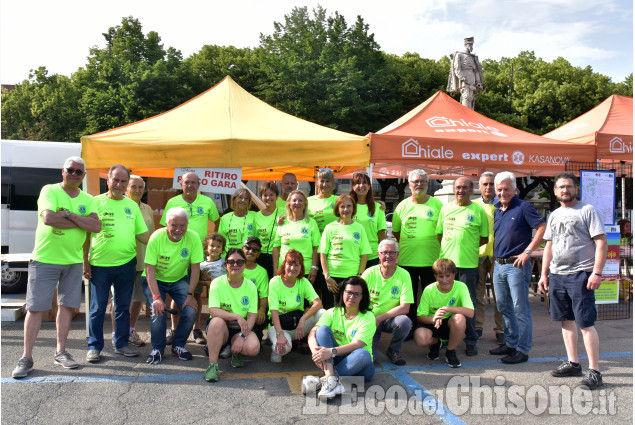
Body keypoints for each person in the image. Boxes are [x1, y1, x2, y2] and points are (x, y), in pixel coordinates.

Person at [12, 157, 101, 379]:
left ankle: (61, 352)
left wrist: (69, 215)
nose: (74, 174)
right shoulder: (49, 190)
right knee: (35, 308)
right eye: (70, 170)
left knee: (67, 306)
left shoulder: (88, 198)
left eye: (79, 172)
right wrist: (81, 221)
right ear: (63, 171)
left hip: (72, 261)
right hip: (45, 258)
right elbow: (49, 218)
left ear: (83, 176)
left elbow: (96, 226)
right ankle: (26, 357)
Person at [538, 172, 607, 390]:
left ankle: (594, 371)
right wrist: (543, 274)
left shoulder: (587, 211)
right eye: (561, 187)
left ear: (575, 189)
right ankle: (573, 363)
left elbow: (601, 242)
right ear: (556, 191)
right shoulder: (554, 215)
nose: (565, 190)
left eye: (569, 186)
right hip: (558, 275)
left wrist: (596, 272)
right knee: (566, 321)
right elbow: (548, 246)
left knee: (585, 323)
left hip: (581, 275)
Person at [84, 165, 149, 363]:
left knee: (122, 307)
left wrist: (164, 243)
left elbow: (142, 235)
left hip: (127, 264)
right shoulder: (94, 202)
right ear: (108, 180)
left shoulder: (131, 206)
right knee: (97, 308)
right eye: (116, 180)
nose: (119, 185)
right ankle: (94, 347)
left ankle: (121, 344)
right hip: (100, 264)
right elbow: (86, 235)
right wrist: (84, 262)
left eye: (123, 181)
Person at [489, 172, 545, 364]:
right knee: (503, 306)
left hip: (516, 266)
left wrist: (527, 252)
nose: (502, 192)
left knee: (520, 308)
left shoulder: (524, 207)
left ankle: (522, 350)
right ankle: (510, 343)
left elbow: (542, 228)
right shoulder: (497, 210)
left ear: (515, 190)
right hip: (499, 265)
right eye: (499, 189)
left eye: (506, 189)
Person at [160, 171, 220, 343]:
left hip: (198, 256)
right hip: (176, 255)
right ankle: (173, 329)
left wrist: (209, 242)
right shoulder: (172, 202)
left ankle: (197, 330)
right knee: (176, 292)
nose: (190, 185)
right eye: (187, 182)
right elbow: (165, 227)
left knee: (196, 294)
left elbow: (216, 221)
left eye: (194, 182)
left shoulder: (207, 202)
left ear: (199, 184)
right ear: (181, 184)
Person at [142, 207, 203, 365]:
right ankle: (157, 348)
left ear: (188, 225)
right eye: (174, 225)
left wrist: (190, 296)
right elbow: (149, 269)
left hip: (178, 279)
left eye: (183, 225)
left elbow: (196, 268)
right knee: (158, 311)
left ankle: (178, 345)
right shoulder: (156, 237)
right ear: (166, 224)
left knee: (190, 310)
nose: (178, 229)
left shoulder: (193, 237)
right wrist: (156, 297)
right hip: (156, 279)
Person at [436, 176, 488, 356]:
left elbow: (484, 238)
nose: (461, 191)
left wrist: (467, 247)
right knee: (444, 302)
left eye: (465, 187)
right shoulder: (446, 209)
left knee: (469, 304)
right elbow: (439, 235)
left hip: (468, 266)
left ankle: (471, 340)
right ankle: (444, 338)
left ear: (471, 189)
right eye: (458, 187)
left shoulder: (478, 211)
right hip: (447, 267)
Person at [391, 169, 443, 338]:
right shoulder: (401, 206)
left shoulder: (437, 205)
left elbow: (442, 232)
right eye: (415, 181)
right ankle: (409, 329)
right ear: (409, 184)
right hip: (407, 260)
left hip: (432, 261)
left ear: (427, 184)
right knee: (409, 299)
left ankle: (429, 328)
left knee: (430, 298)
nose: (419, 184)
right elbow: (397, 233)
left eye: (422, 181)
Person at [307, 276, 376, 400]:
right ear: (342, 292)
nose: (351, 297)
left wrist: (330, 351)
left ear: (362, 296)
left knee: (363, 353)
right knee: (322, 330)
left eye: (357, 294)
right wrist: (316, 353)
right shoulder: (332, 312)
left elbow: (357, 344)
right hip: (336, 359)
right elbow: (312, 333)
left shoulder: (368, 317)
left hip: (361, 366)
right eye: (348, 292)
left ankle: (327, 379)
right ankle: (331, 379)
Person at [107, 175, 155, 348]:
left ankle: (130, 330)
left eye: (140, 187)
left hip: (142, 260)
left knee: (137, 300)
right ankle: (116, 333)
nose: (137, 190)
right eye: (133, 186)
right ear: (127, 187)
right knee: (120, 301)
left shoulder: (147, 209)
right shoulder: (119, 205)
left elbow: (151, 236)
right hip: (121, 260)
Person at [204, 249, 261, 382]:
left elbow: (252, 316)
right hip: (221, 327)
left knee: (253, 348)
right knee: (217, 322)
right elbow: (213, 310)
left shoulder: (251, 286)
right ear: (226, 265)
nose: (235, 265)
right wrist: (237, 316)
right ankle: (213, 366)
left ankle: (236, 351)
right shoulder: (217, 283)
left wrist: (242, 336)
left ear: (245, 265)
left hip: (240, 328)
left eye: (240, 262)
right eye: (231, 262)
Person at [414, 258, 474, 368]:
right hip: (433, 324)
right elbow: (420, 316)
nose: (445, 280)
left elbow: (470, 313)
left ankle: (451, 351)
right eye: (441, 276)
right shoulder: (429, 289)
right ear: (435, 276)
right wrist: (433, 319)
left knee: (460, 318)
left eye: (448, 276)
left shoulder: (461, 286)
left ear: (454, 275)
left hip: (449, 323)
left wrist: (447, 308)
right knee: (420, 338)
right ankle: (436, 342)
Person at [361, 239, 413, 366]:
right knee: (368, 361)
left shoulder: (404, 275)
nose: (388, 256)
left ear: (397, 255)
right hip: (371, 319)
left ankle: (394, 350)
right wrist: (369, 318)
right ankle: (370, 347)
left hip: (390, 319)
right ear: (378, 254)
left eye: (391, 253)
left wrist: (380, 317)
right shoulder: (369, 273)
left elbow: (405, 308)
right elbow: (359, 300)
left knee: (404, 322)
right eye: (384, 253)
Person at [268, 249, 325, 363]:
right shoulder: (275, 282)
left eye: (296, 265)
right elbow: (273, 311)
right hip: (281, 327)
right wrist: (280, 334)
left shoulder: (303, 281)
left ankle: (315, 344)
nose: (293, 268)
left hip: (298, 326)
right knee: (282, 350)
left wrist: (304, 318)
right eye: (289, 264)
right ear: (284, 265)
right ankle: (277, 348)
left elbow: (318, 303)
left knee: (323, 313)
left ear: (301, 268)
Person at [319, 194, 371, 309]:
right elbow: (323, 254)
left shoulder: (359, 228)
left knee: (349, 311)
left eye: (349, 206)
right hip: (332, 279)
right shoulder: (329, 228)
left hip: (351, 278)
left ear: (353, 208)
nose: (346, 209)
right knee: (331, 310)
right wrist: (327, 277)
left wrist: (359, 276)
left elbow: (364, 255)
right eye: (342, 206)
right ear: (337, 209)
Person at [472, 172, 505, 344]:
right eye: (485, 184)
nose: (488, 187)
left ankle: (501, 330)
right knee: (478, 296)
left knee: (500, 295)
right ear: (479, 187)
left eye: (491, 184)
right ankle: (478, 328)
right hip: (478, 256)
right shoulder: (473, 205)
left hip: (498, 257)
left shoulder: (504, 205)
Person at [272, 190, 320, 284]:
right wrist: (275, 269)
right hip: (285, 270)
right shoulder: (282, 223)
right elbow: (276, 248)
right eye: (294, 200)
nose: (297, 203)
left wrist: (314, 268)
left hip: (305, 271)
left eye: (300, 200)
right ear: (289, 204)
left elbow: (316, 247)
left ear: (305, 204)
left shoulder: (311, 223)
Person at [194, 233, 227, 345]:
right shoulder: (201, 264)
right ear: (206, 248)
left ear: (222, 249)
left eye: (218, 246)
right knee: (214, 312)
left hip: (225, 292)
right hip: (212, 293)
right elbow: (196, 280)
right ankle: (214, 334)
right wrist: (206, 283)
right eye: (212, 246)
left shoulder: (225, 262)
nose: (215, 249)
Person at [350, 172, 387, 268]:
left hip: (373, 256)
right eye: (358, 183)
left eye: (364, 182)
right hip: (352, 254)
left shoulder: (378, 207)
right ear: (353, 187)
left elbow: (381, 234)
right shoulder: (347, 207)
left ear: (369, 186)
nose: (361, 185)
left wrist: (382, 256)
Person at [254, 181, 285, 278]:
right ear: (261, 197)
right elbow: (255, 238)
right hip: (261, 256)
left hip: (279, 256)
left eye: (271, 195)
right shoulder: (257, 216)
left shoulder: (284, 212)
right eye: (265, 195)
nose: (268, 198)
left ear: (276, 196)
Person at [242, 237, 269, 344]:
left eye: (255, 250)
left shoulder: (262, 272)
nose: (251, 251)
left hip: (252, 313)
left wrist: (262, 310)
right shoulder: (234, 265)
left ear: (258, 254)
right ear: (242, 249)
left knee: (254, 346)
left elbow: (263, 296)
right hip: (235, 311)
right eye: (248, 248)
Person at [447, 36, 484, 110]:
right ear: (466, 44)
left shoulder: (473, 57)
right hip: (464, 77)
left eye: (472, 44)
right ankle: (466, 115)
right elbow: (457, 68)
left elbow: (476, 70)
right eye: (470, 44)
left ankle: (470, 115)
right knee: (465, 96)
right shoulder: (459, 54)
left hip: (472, 78)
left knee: (471, 98)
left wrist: (478, 81)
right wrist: (462, 77)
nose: (471, 46)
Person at [308, 168, 338, 234]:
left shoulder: (339, 200)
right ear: (317, 182)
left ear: (332, 183)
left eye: (327, 181)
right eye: (322, 181)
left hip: (335, 241)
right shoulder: (308, 201)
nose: (324, 184)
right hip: (315, 242)